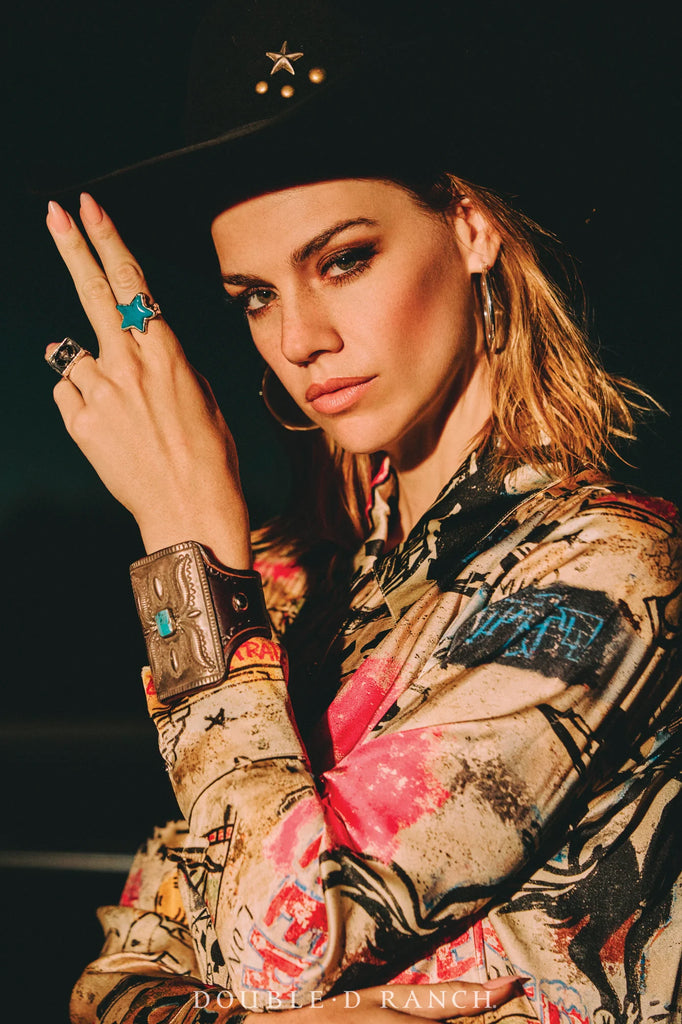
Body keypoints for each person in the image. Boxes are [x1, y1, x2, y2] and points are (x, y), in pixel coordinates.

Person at [42, 2, 681, 1021]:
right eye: (254, 296)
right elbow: (118, 978)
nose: (298, 338)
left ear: (470, 226)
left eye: (342, 259)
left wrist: (188, 550)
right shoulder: (280, 589)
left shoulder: (609, 572)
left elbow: (275, 949)